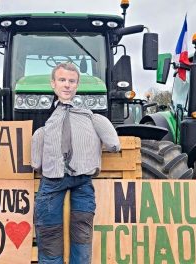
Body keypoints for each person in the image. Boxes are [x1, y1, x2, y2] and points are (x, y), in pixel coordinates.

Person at [31, 63, 120, 263]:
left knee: (82, 231)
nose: (67, 85)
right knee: (49, 231)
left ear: (77, 85)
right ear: (53, 84)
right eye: (62, 80)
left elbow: (114, 144)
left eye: (72, 81)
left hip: (82, 179)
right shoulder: (47, 122)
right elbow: (36, 158)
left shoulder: (91, 117)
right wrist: (37, 163)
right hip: (52, 180)